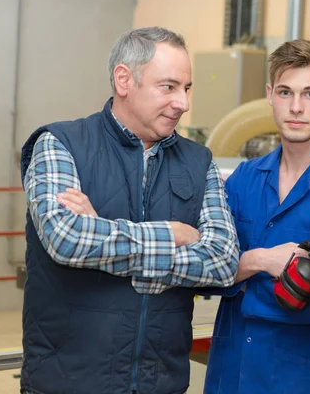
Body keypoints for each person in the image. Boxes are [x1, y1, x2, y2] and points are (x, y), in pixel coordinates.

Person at [19, 27, 239, 394]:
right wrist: (172, 235)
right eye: (168, 87)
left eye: (186, 89)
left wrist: (106, 238)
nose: (182, 103)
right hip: (66, 381)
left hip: (159, 382)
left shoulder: (199, 162)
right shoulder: (60, 144)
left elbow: (222, 261)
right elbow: (68, 239)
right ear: (124, 80)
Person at [203, 39, 310, 394]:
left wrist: (236, 274)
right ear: (269, 94)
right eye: (285, 92)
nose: (296, 107)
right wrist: (263, 261)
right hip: (229, 375)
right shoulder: (245, 179)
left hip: (297, 381)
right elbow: (204, 274)